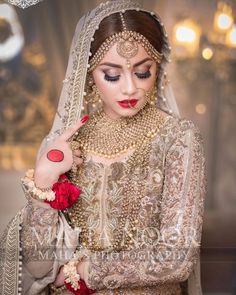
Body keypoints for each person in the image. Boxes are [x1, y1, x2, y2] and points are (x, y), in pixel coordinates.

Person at [0, 0, 206, 294]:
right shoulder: (68, 142)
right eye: (111, 74)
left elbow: (177, 258)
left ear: (157, 67)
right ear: (90, 74)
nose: (129, 88)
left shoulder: (178, 139)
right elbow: (39, 268)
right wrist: (44, 181)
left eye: (142, 72)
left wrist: (85, 271)